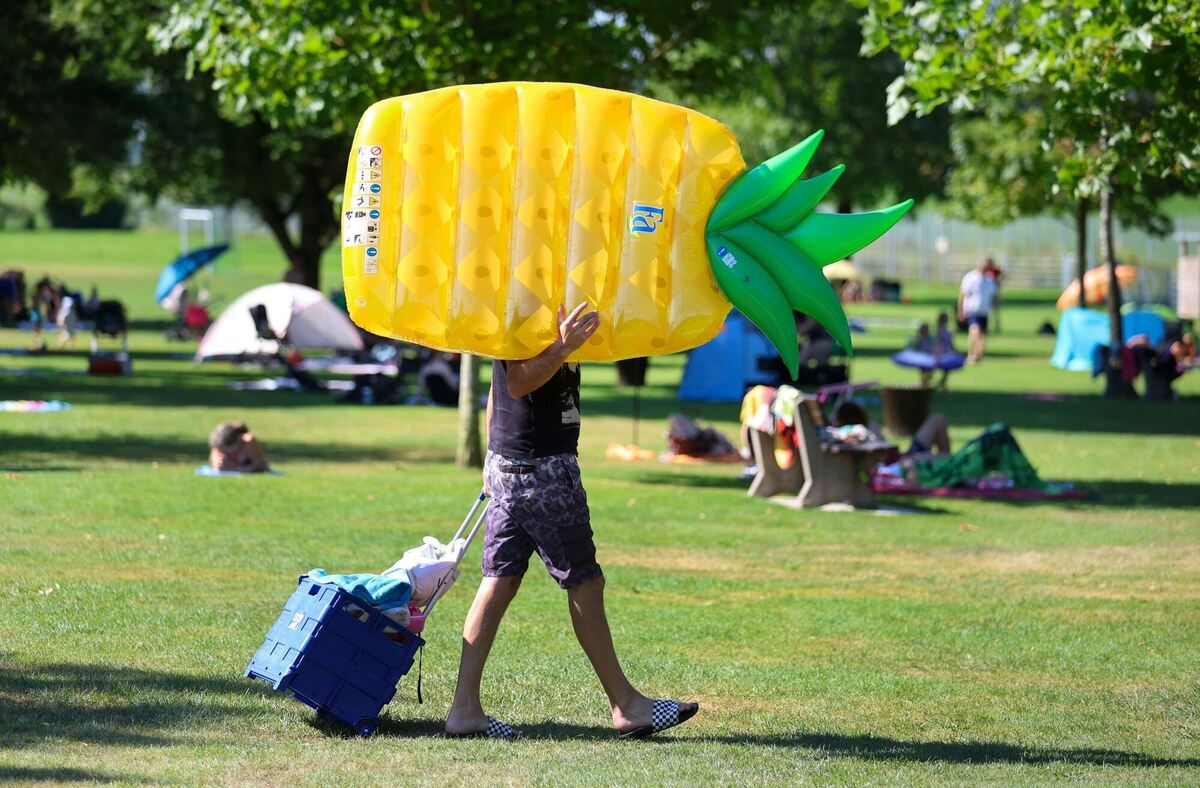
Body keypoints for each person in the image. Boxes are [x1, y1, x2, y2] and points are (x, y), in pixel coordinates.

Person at [446, 302, 698, 740]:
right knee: (584, 581)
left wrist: (493, 461)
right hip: (540, 469)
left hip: (511, 465)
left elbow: (497, 385)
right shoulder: (525, 311)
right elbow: (518, 380)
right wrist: (563, 346)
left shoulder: (520, 304)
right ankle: (627, 706)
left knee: (500, 580)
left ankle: (464, 711)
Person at [957, 258, 998, 364]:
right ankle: (970, 353)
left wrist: (995, 310)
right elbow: (963, 294)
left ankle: (978, 355)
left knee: (982, 334)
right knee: (974, 331)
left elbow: (993, 297)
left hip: (984, 311)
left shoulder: (990, 280)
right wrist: (960, 309)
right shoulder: (970, 278)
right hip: (972, 309)